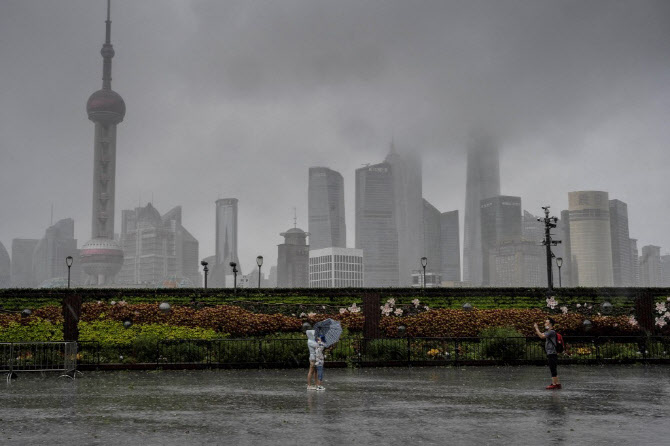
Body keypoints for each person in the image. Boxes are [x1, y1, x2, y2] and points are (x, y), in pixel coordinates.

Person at [534, 318, 562, 390]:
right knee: (553, 368)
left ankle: (554, 384)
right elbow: (542, 334)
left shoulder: (551, 332)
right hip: (552, 353)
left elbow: (542, 336)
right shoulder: (550, 332)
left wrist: (536, 328)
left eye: (546, 322)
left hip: (552, 353)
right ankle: (557, 383)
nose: (545, 324)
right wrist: (538, 330)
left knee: (552, 368)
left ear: (550, 324)